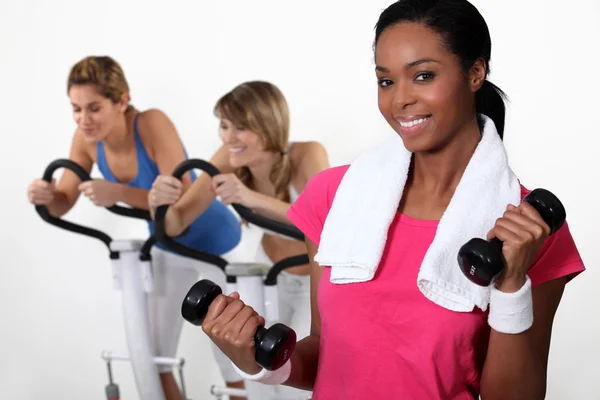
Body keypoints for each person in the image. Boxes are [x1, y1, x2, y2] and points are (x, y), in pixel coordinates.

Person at [195, 1, 587, 399]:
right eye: (386, 81)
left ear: (475, 73)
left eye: (423, 76)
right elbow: (325, 359)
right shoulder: (335, 197)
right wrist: (254, 359)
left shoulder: (526, 229)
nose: (400, 100)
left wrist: (511, 286)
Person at [26, 55, 243, 400]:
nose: (84, 119)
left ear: (122, 100)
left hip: (214, 241)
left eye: (94, 108)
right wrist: (45, 195)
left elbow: (182, 195)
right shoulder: (86, 139)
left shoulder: (151, 123)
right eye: (76, 109)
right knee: (152, 356)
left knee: (231, 355)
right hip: (166, 244)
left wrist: (121, 193)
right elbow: (63, 200)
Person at [148, 80, 330, 399]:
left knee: (302, 378)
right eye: (224, 125)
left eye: (240, 127)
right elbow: (175, 224)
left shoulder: (306, 154)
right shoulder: (228, 156)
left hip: (311, 282)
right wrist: (157, 203)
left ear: (268, 125)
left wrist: (253, 199)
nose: (228, 137)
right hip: (267, 271)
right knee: (254, 370)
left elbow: (327, 223)